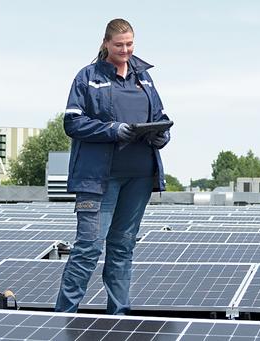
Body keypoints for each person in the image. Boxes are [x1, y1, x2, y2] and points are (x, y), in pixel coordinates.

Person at [55, 18, 170, 315]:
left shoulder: (144, 78)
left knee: (122, 248)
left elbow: (158, 113)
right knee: (89, 248)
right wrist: (113, 130)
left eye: (130, 44)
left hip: (140, 177)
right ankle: (62, 317)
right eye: (119, 45)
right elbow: (72, 122)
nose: (125, 50)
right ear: (106, 43)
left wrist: (161, 134)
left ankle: (118, 316)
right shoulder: (88, 77)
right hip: (98, 180)